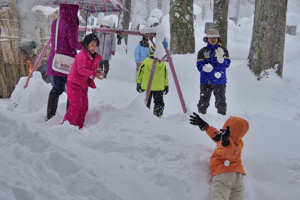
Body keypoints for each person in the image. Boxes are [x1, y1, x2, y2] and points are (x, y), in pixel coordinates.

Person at [189, 112, 249, 200]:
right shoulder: (238, 142)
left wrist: (226, 144)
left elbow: (230, 153)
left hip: (224, 173)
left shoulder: (228, 142)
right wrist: (205, 126)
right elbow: (216, 134)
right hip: (237, 176)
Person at [46, 4, 82, 121]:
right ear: (74, 10)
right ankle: (69, 118)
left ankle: (49, 116)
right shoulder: (72, 24)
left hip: (56, 60)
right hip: (68, 63)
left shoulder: (55, 22)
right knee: (72, 90)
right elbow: (73, 45)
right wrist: (83, 44)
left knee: (56, 89)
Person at [62, 34, 104, 129]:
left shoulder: (94, 57)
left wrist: (98, 71)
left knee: (84, 107)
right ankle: (66, 128)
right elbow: (81, 70)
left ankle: (78, 127)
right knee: (75, 106)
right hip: (74, 83)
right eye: (92, 45)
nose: (94, 47)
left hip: (83, 85)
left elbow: (95, 67)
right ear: (86, 45)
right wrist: (94, 74)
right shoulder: (82, 55)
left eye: (96, 45)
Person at [196, 29, 231, 115]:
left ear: (218, 39)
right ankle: (201, 119)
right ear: (207, 39)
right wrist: (204, 67)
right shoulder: (202, 51)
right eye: (211, 37)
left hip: (219, 82)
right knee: (203, 102)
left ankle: (222, 119)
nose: (213, 39)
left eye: (215, 37)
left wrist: (221, 60)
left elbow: (227, 64)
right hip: (205, 81)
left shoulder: (223, 50)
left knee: (221, 103)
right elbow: (199, 65)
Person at [136, 45, 169, 117]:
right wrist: (166, 85)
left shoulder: (146, 62)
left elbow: (140, 73)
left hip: (147, 87)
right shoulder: (162, 63)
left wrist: (138, 83)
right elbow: (165, 75)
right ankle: (158, 114)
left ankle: (144, 116)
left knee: (145, 102)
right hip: (159, 88)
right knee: (159, 102)